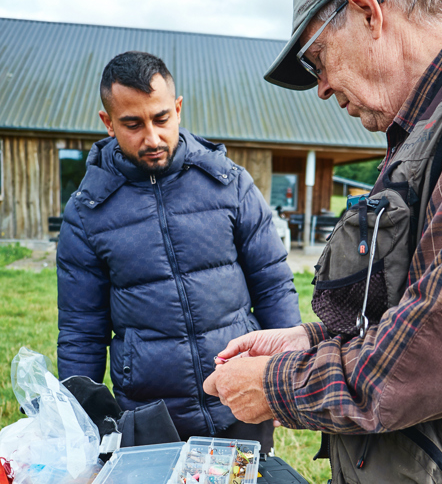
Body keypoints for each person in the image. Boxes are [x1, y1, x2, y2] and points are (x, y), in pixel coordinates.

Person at [203, 0, 442, 481]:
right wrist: (310, 341)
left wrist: (276, 385)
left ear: (368, 11)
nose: (320, 87)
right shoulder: (428, 126)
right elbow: (408, 310)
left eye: (317, 61)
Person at [56, 51, 301, 451]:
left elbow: (272, 284)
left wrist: (284, 376)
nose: (151, 138)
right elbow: (82, 331)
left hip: (238, 403)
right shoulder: (87, 213)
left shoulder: (229, 185)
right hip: (151, 417)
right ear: (108, 122)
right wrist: (80, 423)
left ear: (179, 108)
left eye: (162, 118)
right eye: (132, 124)